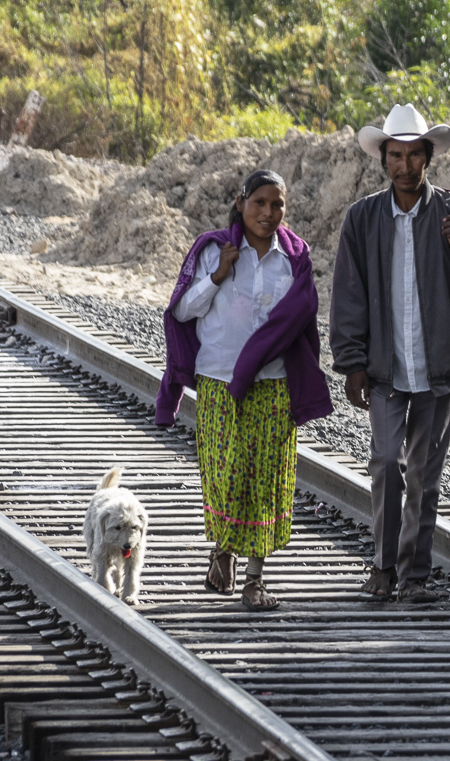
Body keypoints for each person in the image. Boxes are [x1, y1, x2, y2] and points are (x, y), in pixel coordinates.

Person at [330, 104, 450, 601]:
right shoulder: (363, 218)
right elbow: (348, 294)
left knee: (424, 475)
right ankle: (382, 568)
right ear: (383, 159)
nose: (404, 166)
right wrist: (352, 362)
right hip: (384, 369)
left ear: (428, 157)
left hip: (438, 368)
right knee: (387, 463)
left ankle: (415, 578)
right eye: (395, 156)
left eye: (413, 155)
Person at [156, 169, 333, 610]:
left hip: (273, 383)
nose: (268, 213)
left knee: (266, 478)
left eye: (277, 205)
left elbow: (302, 318)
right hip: (218, 379)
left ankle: (255, 578)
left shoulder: (293, 257)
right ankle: (222, 550)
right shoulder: (213, 249)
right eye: (259, 203)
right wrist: (217, 276)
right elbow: (180, 311)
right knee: (225, 471)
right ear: (241, 203)